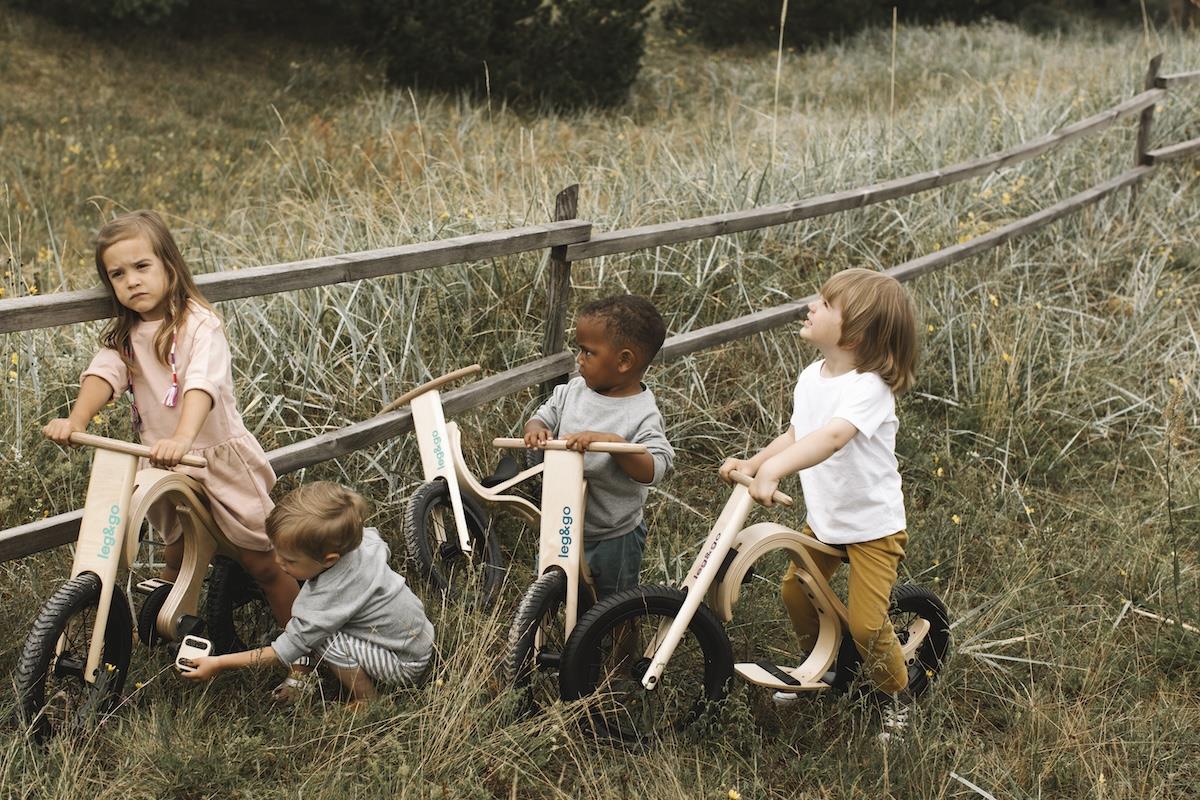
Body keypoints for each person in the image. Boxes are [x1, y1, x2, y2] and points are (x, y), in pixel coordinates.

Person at [42, 210, 298, 625]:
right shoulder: (126, 335)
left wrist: (182, 436)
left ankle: (301, 655)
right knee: (175, 549)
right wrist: (76, 420)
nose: (132, 281)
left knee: (265, 561)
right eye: (118, 274)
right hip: (161, 460)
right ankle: (168, 622)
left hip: (214, 458)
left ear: (169, 266)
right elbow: (104, 375)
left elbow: (202, 385)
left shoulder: (199, 325)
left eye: (142, 266)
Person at [719, 267, 919, 712]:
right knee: (795, 592)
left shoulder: (869, 388)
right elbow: (797, 435)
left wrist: (775, 473)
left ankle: (895, 699)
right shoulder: (812, 376)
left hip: (872, 528)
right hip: (826, 522)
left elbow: (830, 438)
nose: (811, 305)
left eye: (826, 304)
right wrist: (756, 463)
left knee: (868, 627)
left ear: (855, 336)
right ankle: (830, 668)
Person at [180, 482, 435, 704]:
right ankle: (309, 674)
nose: (278, 562)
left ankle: (365, 698)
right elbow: (376, 539)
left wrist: (219, 663)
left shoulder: (329, 596)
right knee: (316, 629)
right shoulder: (363, 543)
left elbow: (285, 650)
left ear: (329, 559)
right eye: (276, 551)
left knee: (325, 639)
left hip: (402, 663)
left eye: (289, 561)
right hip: (418, 638)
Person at [523, 294, 675, 600]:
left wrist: (614, 445)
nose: (579, 359)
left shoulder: (641, 412)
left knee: (612, 603)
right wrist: (536, 431)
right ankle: (561, 639)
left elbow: (657, 466)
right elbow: (541, 417)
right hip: (561, 520)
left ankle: (621, 645)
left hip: (612, 535)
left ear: (624, 361)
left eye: (588, 352)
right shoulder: (573, 391)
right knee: (557, 594)